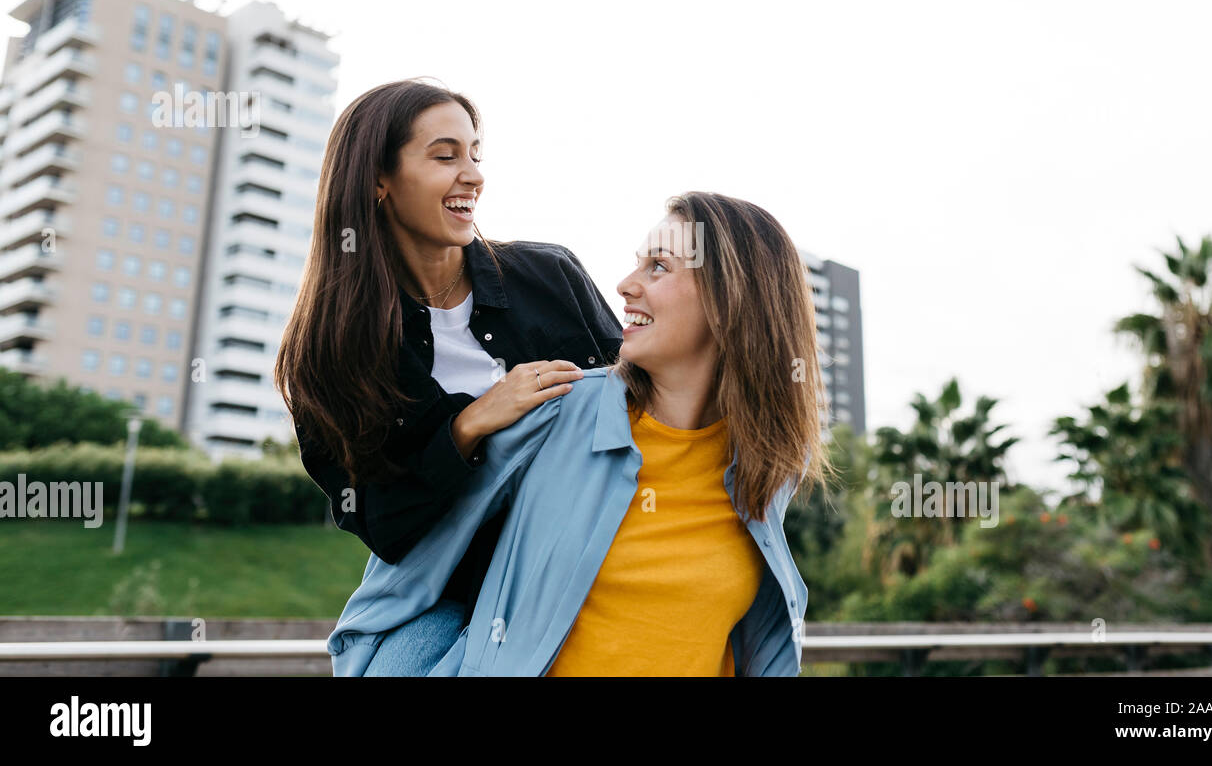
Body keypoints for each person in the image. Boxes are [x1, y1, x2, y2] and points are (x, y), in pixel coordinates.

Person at [327, 192, 833, 675]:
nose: (625, 285)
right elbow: (416, 560)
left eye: (658, 266)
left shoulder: (771, 462)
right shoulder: (554, 413)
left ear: (730, 300)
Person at [273, 78, 623, 675]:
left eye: (475, 155)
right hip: (445, 589)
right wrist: (467, 426)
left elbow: (642, 409)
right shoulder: (328, 351)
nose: (473, 175)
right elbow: (384, 524)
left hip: (590, 566)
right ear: (378, 180)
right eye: (445, 156)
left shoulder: (551, 277)